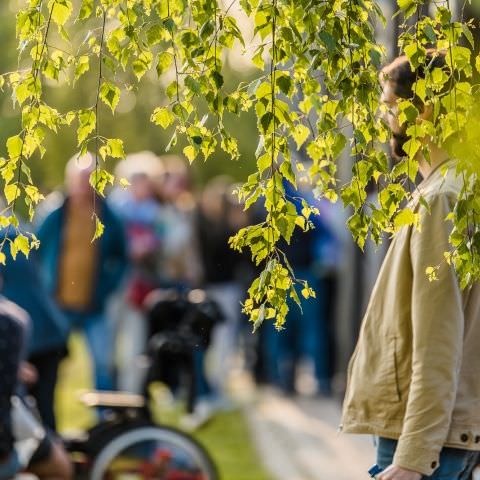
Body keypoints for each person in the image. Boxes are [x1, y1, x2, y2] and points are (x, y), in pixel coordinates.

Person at [340, 50, 480, 479]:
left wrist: (413, 458)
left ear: (426, 109)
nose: (384, 117)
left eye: (390, 105)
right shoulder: (454, 189)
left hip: (424, 442)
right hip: (439, 435)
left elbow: (439, 339)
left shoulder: (443, 199)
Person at [36, 152, 128, 393]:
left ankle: (105, 421)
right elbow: (34, 249)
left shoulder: (109, 215)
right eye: (80, 178)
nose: (84, 185)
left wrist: (107, 287)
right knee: (50, 365)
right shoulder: (54, 213)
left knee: (102, 365)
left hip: (94, 305)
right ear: (70, 179)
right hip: (58, 305)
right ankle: (48, 420)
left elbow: (122, 257)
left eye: (90, 178)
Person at [0, 238, 69, 432]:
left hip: (29, 336)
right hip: (49, 329)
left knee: (30, 409)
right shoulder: (19, 238)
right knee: (43, 406)